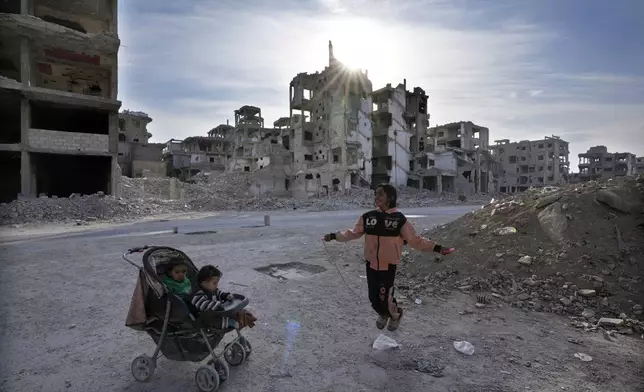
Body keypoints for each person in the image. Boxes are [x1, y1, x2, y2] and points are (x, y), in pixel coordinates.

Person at [323, 183, 455, 331]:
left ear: (390, 198)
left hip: (388, 266)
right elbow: (352, 233)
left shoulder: (399, 220)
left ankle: (396, 314)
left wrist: (437, 248)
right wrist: (334, 236)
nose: (376, 197)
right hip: (371, 264)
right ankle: (383, 314)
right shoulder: (368, 217)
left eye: (380, 194)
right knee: (373, 298)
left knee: (385, 297)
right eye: (376, 194)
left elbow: (414, 240)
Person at [189, 265, 239, 330]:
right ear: (204, 283)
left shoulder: (211, 289)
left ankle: (234, 319)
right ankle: (228, 322)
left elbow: (218, 293)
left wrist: (225, 296)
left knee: (231, 313)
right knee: (213, 321)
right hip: (202, 317)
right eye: (215, 283)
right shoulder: (197, 294)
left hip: (213, 313)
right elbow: (204, 304)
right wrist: (218, 306)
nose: (216, 285)